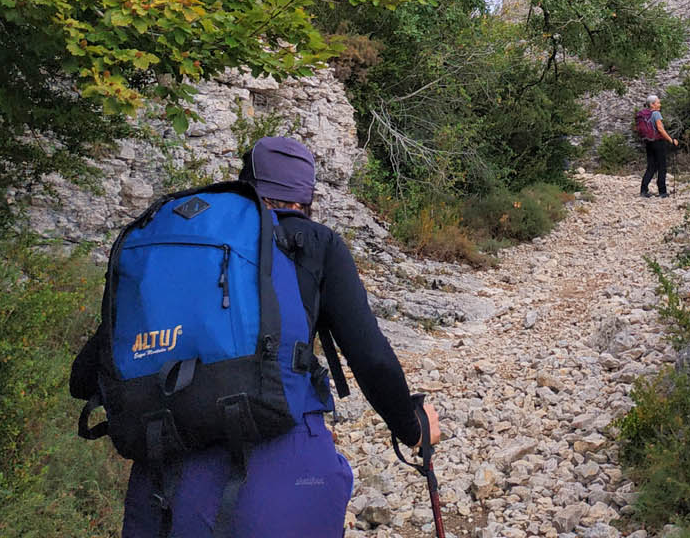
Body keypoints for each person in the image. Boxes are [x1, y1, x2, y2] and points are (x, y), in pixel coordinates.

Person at [70, 135, 440, 538]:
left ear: (245, 186)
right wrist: (412, 427)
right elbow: (371, 357)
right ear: (307, 196)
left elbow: (85, 378)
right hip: (280, 473)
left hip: (163, 487)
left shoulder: (189, 248)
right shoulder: (318, 244)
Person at [639, 93, 678, 198]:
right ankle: (662, 192)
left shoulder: (643, 114)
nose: (659, 104)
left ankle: (643, 190)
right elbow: (660, 129)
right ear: (652, 104)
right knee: (662, 167)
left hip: (648, 142)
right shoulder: (656, 114)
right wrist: (671, 140)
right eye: (658, 102)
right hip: (658, 142)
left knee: (651, 167)